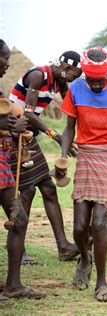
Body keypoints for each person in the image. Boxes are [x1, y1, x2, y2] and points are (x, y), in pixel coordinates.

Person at [60, 47, 107, 302]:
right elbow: (69, 128)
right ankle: (85, 256)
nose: (96, 85)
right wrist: (62, 155)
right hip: (87, 154)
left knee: (99, 223)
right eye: (91, 80)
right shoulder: (76, 89)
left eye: (100, 80)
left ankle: (102, 281)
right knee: (80, 227)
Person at [8, 51, 82, 264]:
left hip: (28, 137)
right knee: (27, 190)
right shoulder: (38, 75)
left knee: (48, 188)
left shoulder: (59, 82)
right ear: (66, 69)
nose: (75, 79)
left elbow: (72, 107)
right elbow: (29, 113)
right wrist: (55, 136)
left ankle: (64, 247)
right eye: (75, 75)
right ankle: (18, 250)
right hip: (13, 135)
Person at [0, 39, 46, 301]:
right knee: (20, 220)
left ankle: (13, 284)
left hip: (3, 162)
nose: (8, 63)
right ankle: (13, 285)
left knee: (19, 219)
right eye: (4, 58)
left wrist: (15, 127)